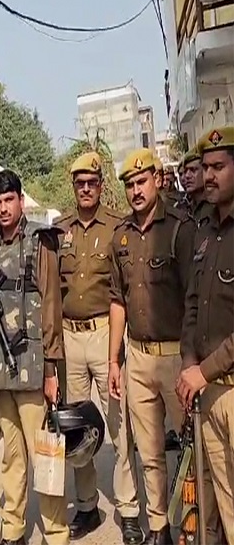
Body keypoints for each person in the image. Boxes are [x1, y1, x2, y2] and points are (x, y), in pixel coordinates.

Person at [0, 169, 68, 545]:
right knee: (11, 456)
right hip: (0, 365)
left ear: (21, 200)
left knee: (44, 454)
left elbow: (50, 307)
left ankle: (55, 532)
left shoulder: (38, 241)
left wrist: (51, 370)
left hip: (31, 363)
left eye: (9, 200)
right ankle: (13, 528)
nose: (3, 208)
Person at [108, 148, 195, 545]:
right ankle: (159, 525)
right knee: (150, 452)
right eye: (129, 185)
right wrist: (114, 360)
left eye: (141, 182)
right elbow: (117, 301)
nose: (135, 190)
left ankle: (195, 523)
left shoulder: (179, 228)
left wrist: (193, 359)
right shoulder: (121, 236)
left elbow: (195, 299)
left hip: (177, 356)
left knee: (193, 449)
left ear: (157, 180)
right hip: (138, 359)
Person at [54, 152, 142, 543]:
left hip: (107, 332)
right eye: (79, 183)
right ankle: (87, 506)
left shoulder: (116, 226)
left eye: (91, 182)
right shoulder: (60, 231)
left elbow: (125, 286)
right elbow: (52, 289)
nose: (85, 188)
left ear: (101, 185)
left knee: (118, 423)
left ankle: (128, 508)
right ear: (73, 187)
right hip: (70, 336)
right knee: (77, 429)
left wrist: (118, 354)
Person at [177, 125, 234, 544]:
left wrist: (205, 370)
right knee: (223, 504)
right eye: (206, 167)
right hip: (207, 390)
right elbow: (192, 306)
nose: (209, 175)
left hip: (228, 386)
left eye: (219, 166)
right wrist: (188, 364)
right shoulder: (205, 231)